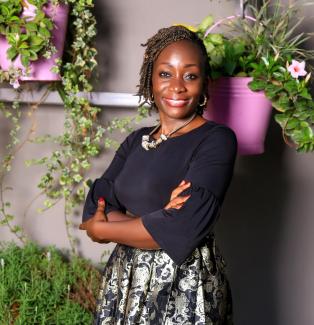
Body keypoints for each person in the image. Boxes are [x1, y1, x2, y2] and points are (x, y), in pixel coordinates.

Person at [79, 25, 237, 325]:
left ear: (205, 84)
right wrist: (157, 221)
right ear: (150, 80)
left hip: (183, 285)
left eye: (190, 75)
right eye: (165, 74)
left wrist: (105, 230)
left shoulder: (216, 139)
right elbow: (96, 204)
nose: (177, 86)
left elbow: (182, 229)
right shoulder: (136, 140)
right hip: (126, 281)